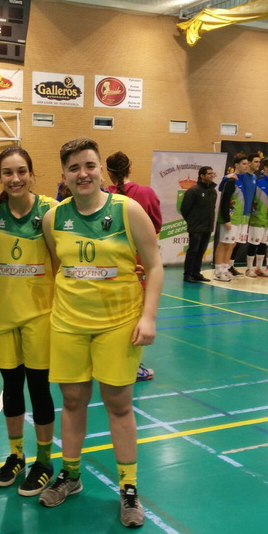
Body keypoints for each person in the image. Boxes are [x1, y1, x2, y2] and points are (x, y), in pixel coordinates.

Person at [39, 138, 163, 528]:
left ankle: (128, 488)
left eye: (89, 165)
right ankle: (71, 475)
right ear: (64, 175)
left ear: (100, 170)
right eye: (74, 167)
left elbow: (155, 265)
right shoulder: (53, 218)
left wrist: (149, 317)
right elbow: (61, 266)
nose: (83, 173)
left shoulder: (128, 211)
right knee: (73, 402)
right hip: (69, 324)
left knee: (119, 404)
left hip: (118, 325)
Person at [0, 147, 57, 496]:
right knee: (11, 389)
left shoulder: (50, 210)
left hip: (40, 317)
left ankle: (44, 460)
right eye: (8, 173)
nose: (15, 179)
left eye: (21, 171)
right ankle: (16, 455)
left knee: (39, 389)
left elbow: (65, 259)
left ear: (31, 173)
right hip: (2, 316)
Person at [105, 151, 161, 381]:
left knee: (111, 316)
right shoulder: (146, 193)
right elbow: (156, 227)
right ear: (130, 168)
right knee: (134, 317)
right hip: (138, 266)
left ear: (108, 173)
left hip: (110, 265)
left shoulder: (105, 195)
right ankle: (131, 364)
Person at [213, 154, 250, 282]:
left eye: (247, 164)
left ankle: (225, 269)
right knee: (223, 244)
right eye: (244, 164)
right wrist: (227, 219)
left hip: (239, 219)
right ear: (236, 165)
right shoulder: (231, 180)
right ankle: (217, 271)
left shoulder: (244, 180)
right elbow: (225, 201)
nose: (246, 166)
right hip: (230, 218)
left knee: (231, 245)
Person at [180, 166, 217, 283]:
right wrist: (192, 221)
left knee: (201, 251)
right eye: (209, 174)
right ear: (202, 176)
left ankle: (196, 273)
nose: (212, 175)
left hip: (208, 226)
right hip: (196, 227)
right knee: (193, 251)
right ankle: (188, 274)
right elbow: (184, 209)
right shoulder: (193, 190)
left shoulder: (213, 191)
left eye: (212, 173)